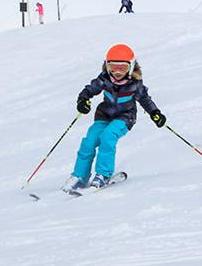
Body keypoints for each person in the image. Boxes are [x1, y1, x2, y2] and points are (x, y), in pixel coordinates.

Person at [68, 43, 163, 190]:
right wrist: (83, 100)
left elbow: (145, 99)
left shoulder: (135, 84)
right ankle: (80, 176)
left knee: (108, 136)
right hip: (104, 115)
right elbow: (89, 90)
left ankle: (103, 175)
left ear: (131, 67)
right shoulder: (104, 79)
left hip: (125, 117)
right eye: (113, 67)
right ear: (107, 66)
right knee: (89, 140)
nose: (117, 72)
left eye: (122, 68)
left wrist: (155, 113)